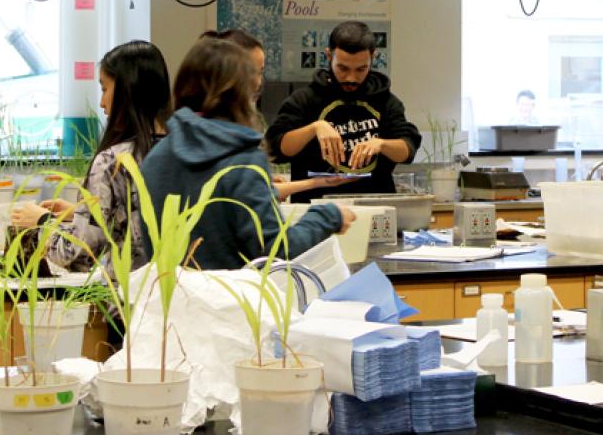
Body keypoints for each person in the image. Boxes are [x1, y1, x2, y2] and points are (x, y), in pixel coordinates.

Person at [140, 37, 354, 269]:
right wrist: (327, 216)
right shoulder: (243, 159)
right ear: (243, 93)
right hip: (235, 303)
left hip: (169, 301)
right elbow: (275, 249)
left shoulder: (155, 158)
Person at [11, 41, 171, 273]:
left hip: (125, 302)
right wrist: (80, 215)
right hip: (174, 298)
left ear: (128, 89)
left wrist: (42, 221)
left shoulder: (112, 161)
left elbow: (76, 254)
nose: (102, 102)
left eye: (105, 88)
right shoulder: (180, 152)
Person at [266, 20, 421, 203]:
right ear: (329, 56)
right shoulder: (304, 99)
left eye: (361, 69)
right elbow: (276, 148)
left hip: (374, 209)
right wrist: (314, 128)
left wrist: (381, 144)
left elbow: (407, 149)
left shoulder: (386, 101)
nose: (351, 78)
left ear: (373, 57)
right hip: (315, 211)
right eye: (343, 68)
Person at [202, 28, 349, 200]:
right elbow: (250, 195)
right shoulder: (219, 132)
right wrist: (317, 185)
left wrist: (263, 179)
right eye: (254, 72)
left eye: (261, 72)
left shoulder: (242, 121)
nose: (259, 81)